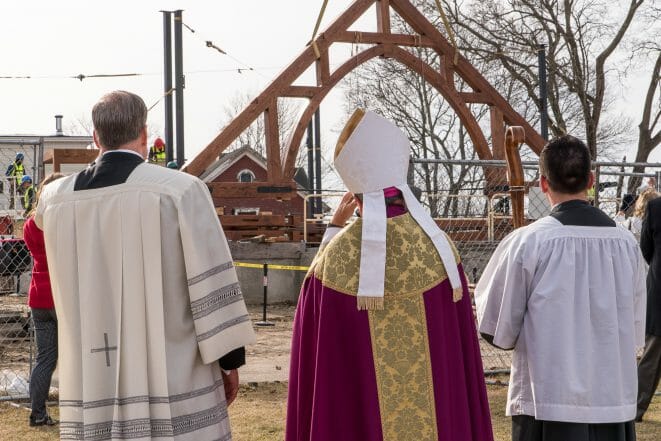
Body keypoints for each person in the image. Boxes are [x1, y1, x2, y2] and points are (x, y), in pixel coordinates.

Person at [35, 91, 255, 441]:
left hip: (93, 370)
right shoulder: (181, 192)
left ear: (95, 137)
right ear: (144, 135)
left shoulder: (57, 201)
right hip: (169, 368)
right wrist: (229, 361)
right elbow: (210, 282)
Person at [286, 110, 494, 441]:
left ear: (354, 199)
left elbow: (315, 369)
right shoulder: (441, 252)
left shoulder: (334, 264)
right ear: (401, 188)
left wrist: (334, 231)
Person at [475, 135, 646, 441]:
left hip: (548, 398)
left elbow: (496, 328)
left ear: (542, 183)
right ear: (591, 180)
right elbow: (634, 328)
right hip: (611, 398)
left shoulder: (529, 242)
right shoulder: (626, 245)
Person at [24, 172, 65, 427]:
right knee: (73, 354)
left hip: (38, 295)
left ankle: (37, 413)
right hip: (60, 294)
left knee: (45, 358)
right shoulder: (60, 220)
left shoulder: (30, 224)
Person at [637, 187, 661, 421]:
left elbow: (646, 250)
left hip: (659, 289)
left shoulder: (654, 208)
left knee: (651, 356)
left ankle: (636, 407)